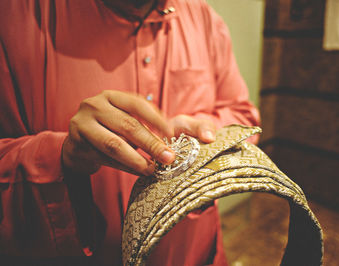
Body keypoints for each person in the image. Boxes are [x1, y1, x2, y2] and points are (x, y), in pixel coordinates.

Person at [0, 0, 260, 265]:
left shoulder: (203, 16)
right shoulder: (13, 18)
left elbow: (243, 117)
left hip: (195, 252)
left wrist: (205, 133)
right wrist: (62, 154)